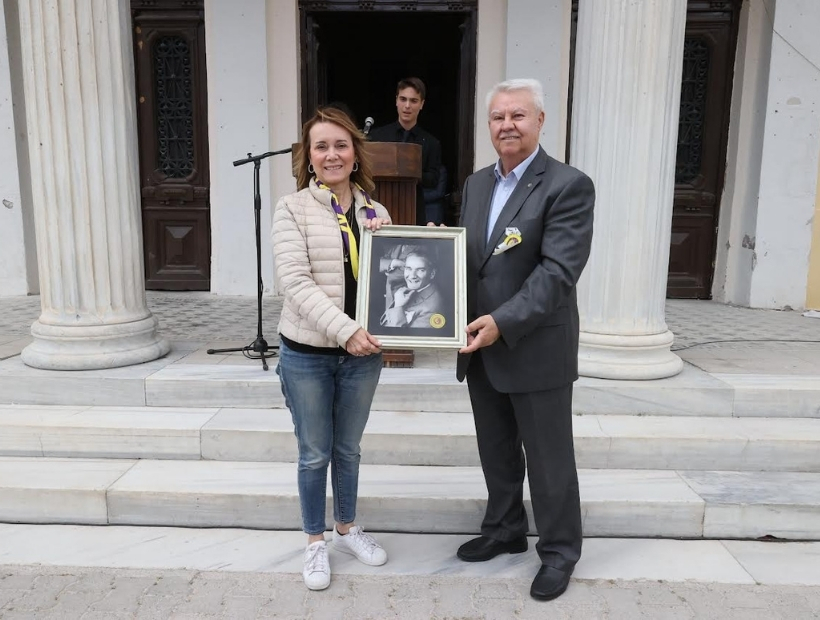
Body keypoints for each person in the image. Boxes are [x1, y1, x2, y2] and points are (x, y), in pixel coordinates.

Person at [454, 79, 595, 602]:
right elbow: (475, 259)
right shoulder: (475, 185)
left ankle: (559, 552)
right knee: (496, 450)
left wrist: (502, 321)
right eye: (497, 117)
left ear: (540, 121)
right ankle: (505, 530)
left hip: (534, 345)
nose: (506, 125)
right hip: (482, 347)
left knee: (549, 458)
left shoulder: (567, 185)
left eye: (517, 115)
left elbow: (557, 273)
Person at [271, 106, 392, 592]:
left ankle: (346, 527)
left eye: (340, 144)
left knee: (349, 448)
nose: (332, 154)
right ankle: (315, 541)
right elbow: (294, 283)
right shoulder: (291, 208)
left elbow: (392, 277)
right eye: (321, 146)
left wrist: (414, 252)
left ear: (355, 153)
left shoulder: (375, 212)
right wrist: (345, 330)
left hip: (362, 355)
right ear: (309, 156)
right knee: (314, 452)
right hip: (308, 353)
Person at [369, 77, 443, 225]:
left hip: (414, 209)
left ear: (422, 104)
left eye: (413, 101)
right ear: (396, 100)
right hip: (379, 207)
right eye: (403, 99)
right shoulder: (377, 136)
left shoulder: (431, 142)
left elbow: (434, 179)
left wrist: (410, 172)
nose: (407, 106)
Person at [380, 250, 445, 328]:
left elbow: (398, 337)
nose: (412, 275)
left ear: (432, 274)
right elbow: (385, 322)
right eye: (408, 268)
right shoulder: (406, 290)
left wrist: (398, 307)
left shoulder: (432, 309)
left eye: (420, 270)